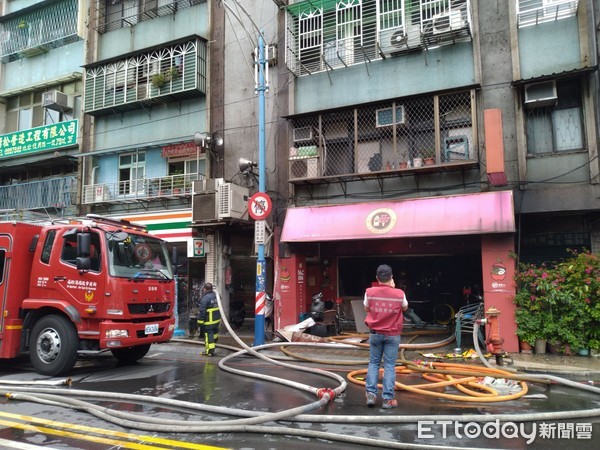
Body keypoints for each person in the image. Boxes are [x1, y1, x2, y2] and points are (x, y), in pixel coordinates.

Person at [364, 264, 409, 409]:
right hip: (392, 335)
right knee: (389, 366)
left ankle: (370, 395)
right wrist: (394, 288)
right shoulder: (400, 293)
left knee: (373, 363)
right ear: (391, 278)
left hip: (375, 334)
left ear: (377, 278)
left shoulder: (369, 292)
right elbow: (405, 308)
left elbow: (366, 308)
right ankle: (387, 400)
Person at [197, 283, 221, 356]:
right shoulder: (216, 295)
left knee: (208, 335)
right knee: (214, 333)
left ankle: (209, 351)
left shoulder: (205, 298)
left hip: (209, 321)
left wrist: (200, 322)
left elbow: (202, 311)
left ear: (205, 289)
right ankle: (214, 344)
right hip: (216, 320)